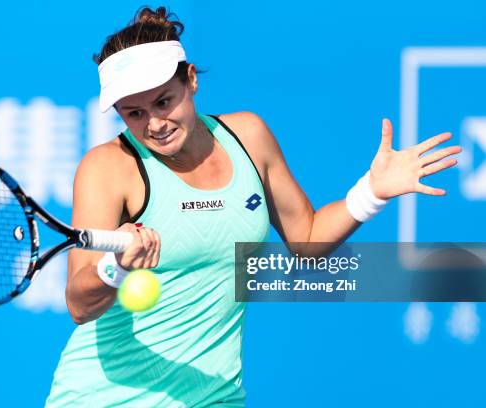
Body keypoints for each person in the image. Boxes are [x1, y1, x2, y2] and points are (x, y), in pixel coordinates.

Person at [46, 6, 461, 407]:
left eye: (163, 102)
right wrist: (115, 266)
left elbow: (308, 239)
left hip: (214, 397)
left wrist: (371, 192)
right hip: (103, 399)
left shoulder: (249, 136)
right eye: (133, 113)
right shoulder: (108, 168)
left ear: (191, 80)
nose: (154, 124)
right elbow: (80, 304)